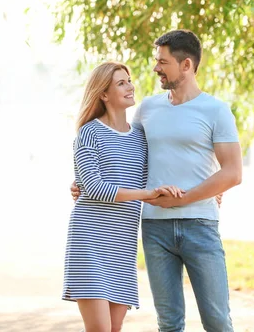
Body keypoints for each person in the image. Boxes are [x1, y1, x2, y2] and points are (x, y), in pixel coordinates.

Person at [71, 30, 242, 332]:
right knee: (169, 323)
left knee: (216, 320)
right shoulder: (148, 109)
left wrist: (193, 195)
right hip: (154, 228)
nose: (155, 69)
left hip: (200, 225)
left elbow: (232, 173)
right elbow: (124, 153)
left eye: (162, 62)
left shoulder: (216, 110)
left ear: (186, 65)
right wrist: (83, 182)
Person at [63, 61, 182, 332]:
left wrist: (211, 192)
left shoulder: (140, 136)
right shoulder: (89, 132)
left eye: (129, 80)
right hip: (89, 241)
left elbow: (165, 167)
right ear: (103, 94)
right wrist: (147, 194)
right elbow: (93, 187)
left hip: (122, 245)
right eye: (121, 82)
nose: (130, 86)